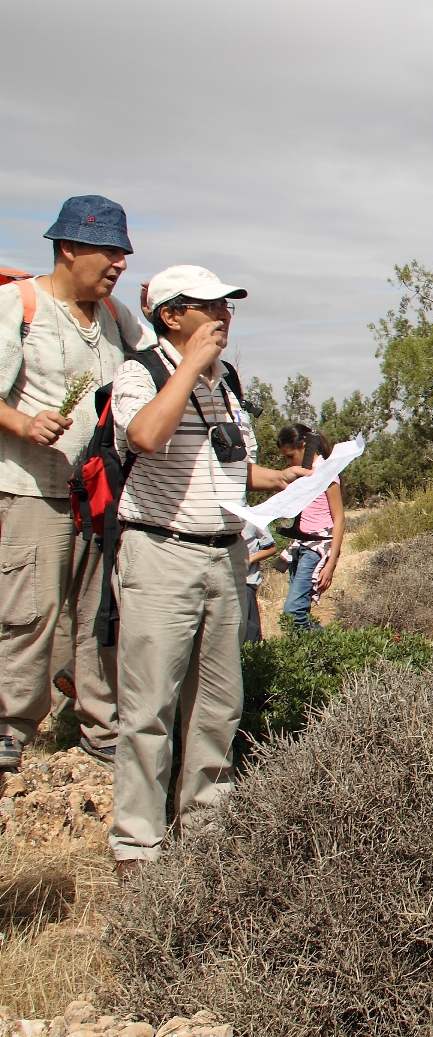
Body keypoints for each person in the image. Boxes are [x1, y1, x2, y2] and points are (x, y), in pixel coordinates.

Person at [109, 265, 308, 873]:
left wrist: (273, 480)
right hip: (160, 552)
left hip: (225, 555)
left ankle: (206, 838)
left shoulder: (229, 383)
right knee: (150, 707)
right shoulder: (139, 373)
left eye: (229, 307)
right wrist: (190, 367)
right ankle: (139, 849)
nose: (224, 317)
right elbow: (145, 436)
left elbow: (226, 459)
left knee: (219, 704)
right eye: (210, 306)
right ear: (171, 315)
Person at [0, 196, 155, 771]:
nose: (119, 264)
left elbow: (153, 366)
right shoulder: (19, 304)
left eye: (124, 253)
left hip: (101, 494)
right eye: (109, 251)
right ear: (68, 247)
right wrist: (23, 422)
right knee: (29, 610)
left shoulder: (115, 316)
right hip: (29, 486)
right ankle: (12, 725)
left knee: (99, 613)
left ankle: (100, 724)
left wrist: (161, 311)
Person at [275, 424, 343, 632]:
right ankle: (312, 658)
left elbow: (339, 519)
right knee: (300, 613)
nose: (288, 462)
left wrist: (330, 565)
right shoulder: (303, 475)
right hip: (301, 546)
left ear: (304, 446)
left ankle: (327, 647)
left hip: (316, 549)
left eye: (290, 456)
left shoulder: (327, 473)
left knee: (293, 613)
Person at [242, 521, 276, 644]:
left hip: (246, 583)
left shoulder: (253, 518)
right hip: (222, 583)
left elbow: (271, 548)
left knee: (249, 636)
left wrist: (248, 560)